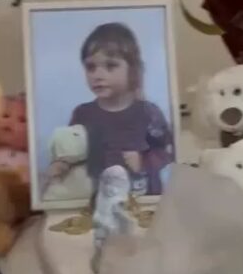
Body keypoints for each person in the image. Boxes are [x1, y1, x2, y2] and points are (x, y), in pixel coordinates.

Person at [45, 22, 174, 198]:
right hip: (95, 201)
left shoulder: (148, 113)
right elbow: (73, 153)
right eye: (90, 67)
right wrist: (62, 165)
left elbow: (167, 154)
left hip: (140, 200)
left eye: (110, 66)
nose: (97, 76)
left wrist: (143, 162)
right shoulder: (83, 113)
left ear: (132, 69)